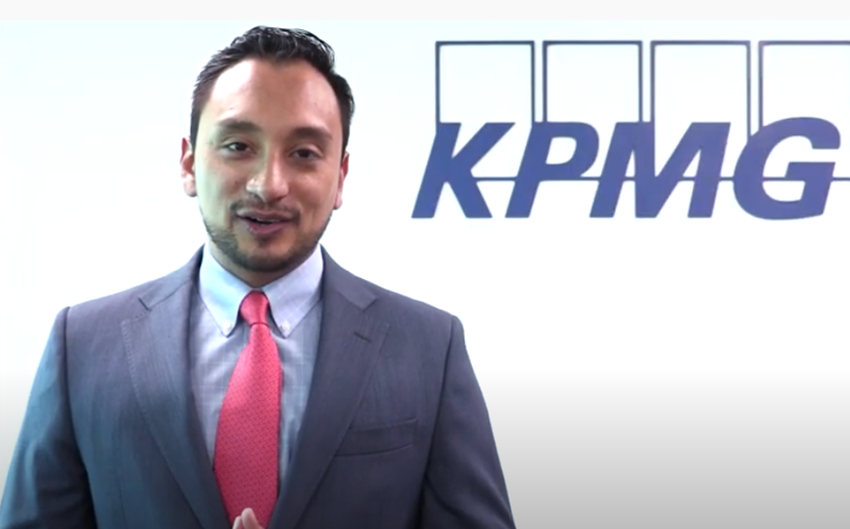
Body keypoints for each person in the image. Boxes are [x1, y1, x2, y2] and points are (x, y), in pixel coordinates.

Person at [0, 26, 515, 529]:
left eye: (304, 153)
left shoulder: (429, 348)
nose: (268, 185)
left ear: (340, 177)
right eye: (238, 146)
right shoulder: (83, 346)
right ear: (188, 163)